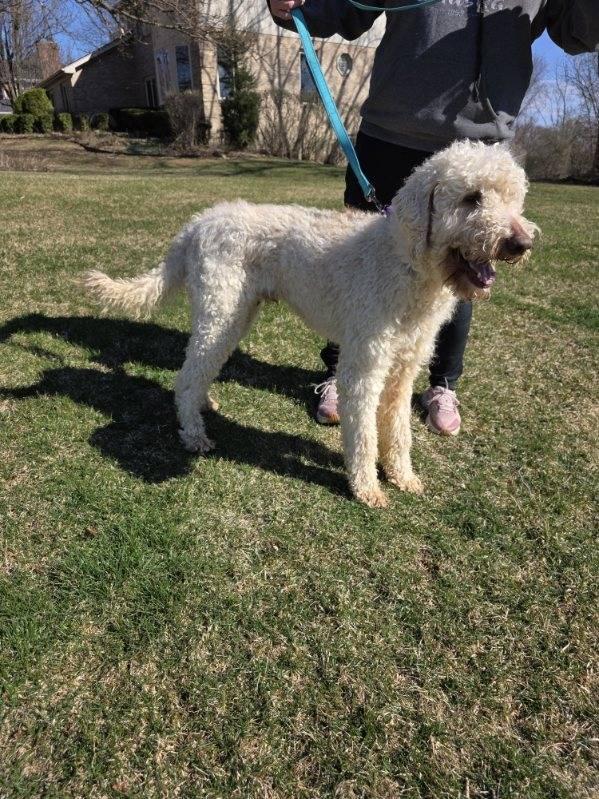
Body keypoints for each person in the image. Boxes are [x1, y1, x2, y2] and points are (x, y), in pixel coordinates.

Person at [268, 0, 599, 434]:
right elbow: (349, 9)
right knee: (355, 266)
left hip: (480, 144)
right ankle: (341, 372)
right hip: (391, 136)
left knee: (468, 262)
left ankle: (441, 384)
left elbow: (578, 32)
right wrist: (298, 8)